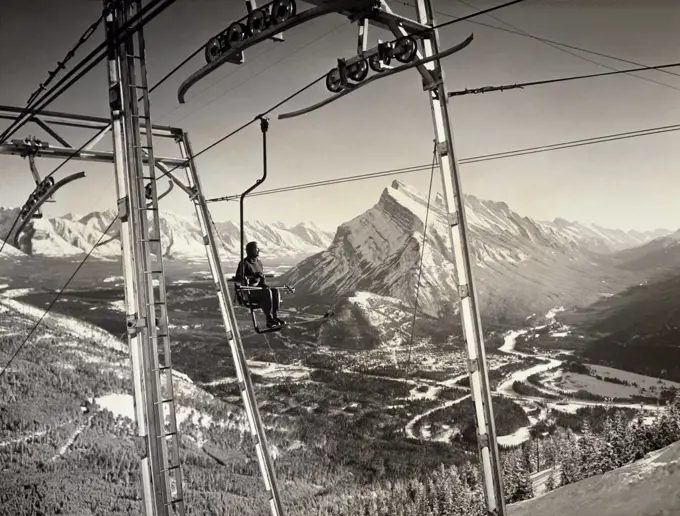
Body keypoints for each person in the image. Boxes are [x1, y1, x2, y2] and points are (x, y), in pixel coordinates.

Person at [234, 241, 286, 328]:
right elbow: (238, 278)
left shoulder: (259, 262)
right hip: (249, 292)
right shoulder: (244, 263)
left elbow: (262, 277)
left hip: (259, 289)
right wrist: (252, 276)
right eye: (256, 249)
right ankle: (269, 319)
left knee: (275, 291)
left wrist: (264, 284)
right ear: (251, 250)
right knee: (266, 292)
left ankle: (275, 317)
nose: (258, 251)